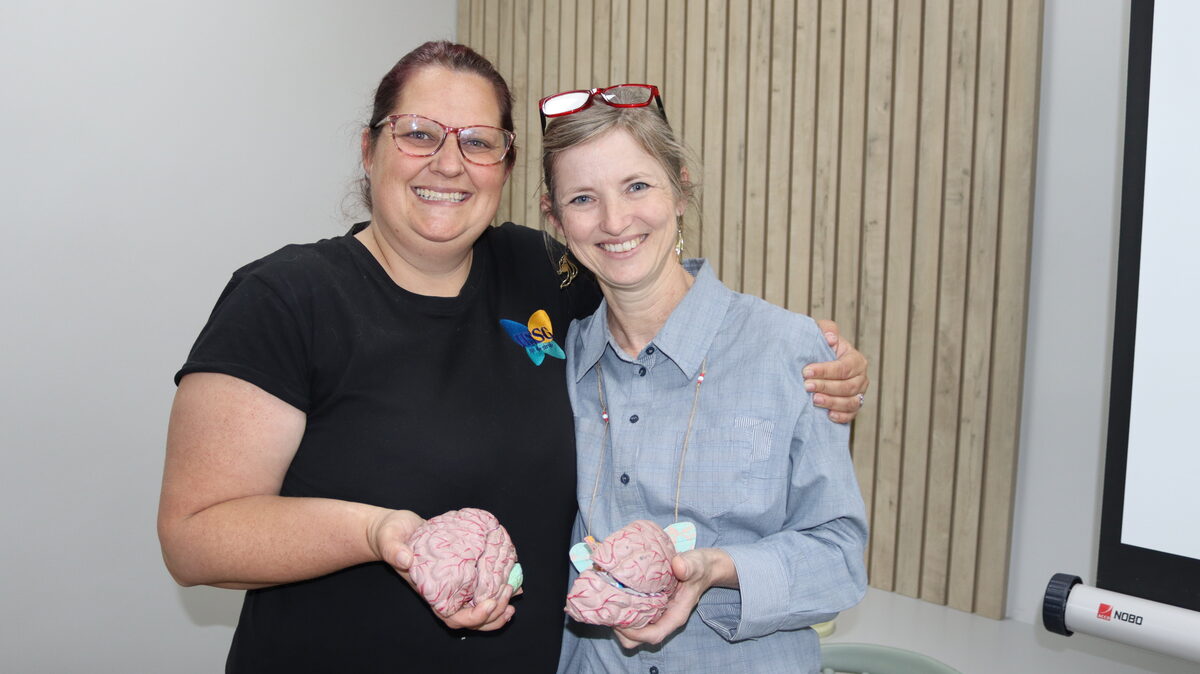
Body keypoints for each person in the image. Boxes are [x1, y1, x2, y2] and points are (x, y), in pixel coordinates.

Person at [157, 42, 867, 673]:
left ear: (505, 170)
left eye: (478, 141)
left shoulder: (539, 272)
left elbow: (649, 288)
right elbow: (196, 539)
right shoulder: (286, 298)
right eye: (417, 134)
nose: (447, 163)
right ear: (369, 149)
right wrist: (380, 532)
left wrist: (807, 348)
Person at [538, 87, 868, 673]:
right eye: (584, 198)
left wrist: (719, 568)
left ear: (681, 190)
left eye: (637, 186)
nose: (615, 221)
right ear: (556, 219)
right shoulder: (558, 359)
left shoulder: (787, 349)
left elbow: (840, 561)